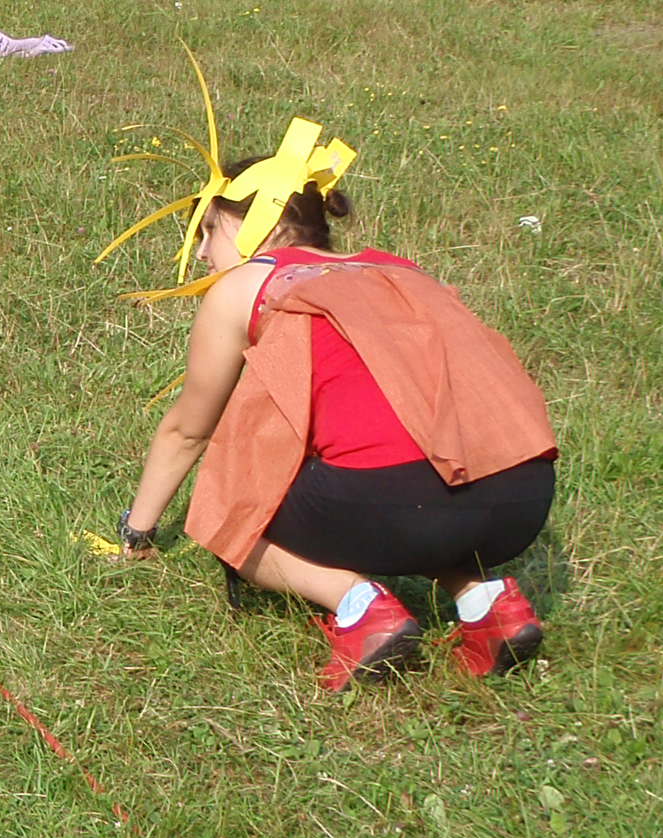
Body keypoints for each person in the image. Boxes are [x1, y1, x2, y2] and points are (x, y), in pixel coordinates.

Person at [108, 116, 558, 691]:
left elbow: (188, 431)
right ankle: (486, 602)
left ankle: (359, 607)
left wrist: (137, 534)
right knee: (418, 479)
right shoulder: (401, 270)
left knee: (230, 505)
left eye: (210, 230)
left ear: (264, 225)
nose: (201, 253)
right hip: (522, 496)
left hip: (396, 502)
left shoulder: (245, 286)